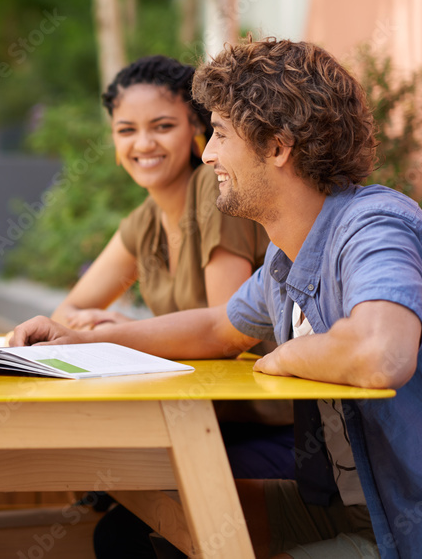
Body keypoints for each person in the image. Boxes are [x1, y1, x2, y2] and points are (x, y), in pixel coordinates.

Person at [12, 38, 422, 558]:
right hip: (349, 505)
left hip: (410, 524)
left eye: (219, 135)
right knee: (155, 526)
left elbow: (382, 352)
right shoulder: (287, 259)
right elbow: (218, 328)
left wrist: (288, 357)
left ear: (278, 147)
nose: (207, 153)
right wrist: (80, 339)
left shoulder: (375, 227)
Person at [52, 56, 290, 558]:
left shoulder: (215, 195)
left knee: (122, 515)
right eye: (126, 130)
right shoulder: (145, 222)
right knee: (107, 492)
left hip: (271, 428)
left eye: (162, 126)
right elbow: (68, 313)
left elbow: (228, 329)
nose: (143, 144)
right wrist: (107, 325)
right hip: (205, 421)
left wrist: (130, 329)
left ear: (197, 132)